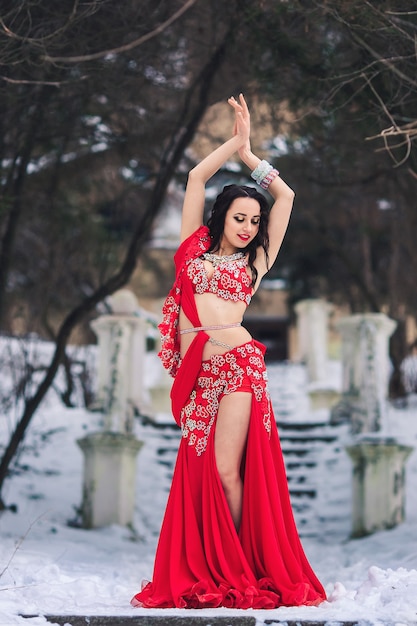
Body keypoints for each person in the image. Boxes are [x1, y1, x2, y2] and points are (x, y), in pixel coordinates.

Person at [131, 94, 326, 609]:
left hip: (238, 369)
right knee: (199, 472)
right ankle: (216, 564)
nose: (248, 227)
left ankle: (241, 568)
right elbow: (196, 178)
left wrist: (253, 160)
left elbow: (285, 197)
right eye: (240, 217)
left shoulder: (256, 263)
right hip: (199, 372)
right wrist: (231, 145)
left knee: (225, 470)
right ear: (222, 218)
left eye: (253, 221)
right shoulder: (193, 249)